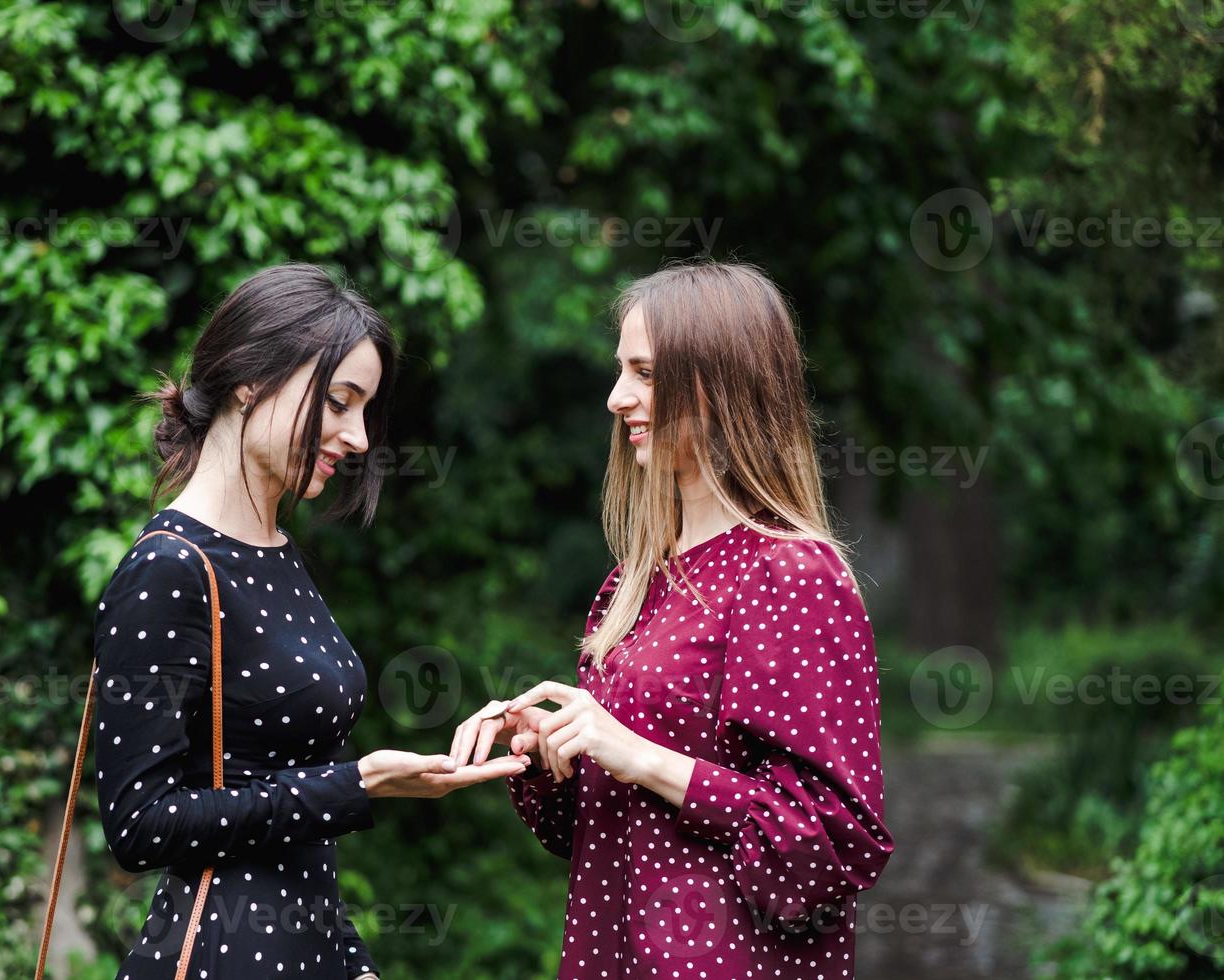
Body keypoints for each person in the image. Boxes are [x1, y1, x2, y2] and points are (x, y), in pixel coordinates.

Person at [451, 259, 894, 978]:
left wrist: (642, 757)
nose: (617, 396)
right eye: (622, 370)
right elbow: (595, 831)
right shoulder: (634, 583)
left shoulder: (789, 575)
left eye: (646, 373)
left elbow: (833, 845)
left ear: (721, 387)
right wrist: (552, 752)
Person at [93, 263, 529, 980]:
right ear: (247, 380)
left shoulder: (277, 554)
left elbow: (290, 826)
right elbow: (141, 826)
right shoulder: (168, 568)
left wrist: (351, 960)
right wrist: (358, 784)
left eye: (364, 409)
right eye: (337, 402)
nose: (357, 436)